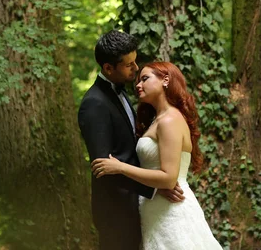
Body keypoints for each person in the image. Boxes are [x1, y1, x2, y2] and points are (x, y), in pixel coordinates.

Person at [91, 61, 222, 250]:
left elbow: (169, 179)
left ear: (165, 80)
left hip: (171, 210)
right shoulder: (156, 120)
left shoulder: (170, 120)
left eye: (145, 79)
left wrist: (120, 167)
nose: (138, 85)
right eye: (138, 81)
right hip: (155, 208)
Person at [78, 31, 184, 250]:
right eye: (129, 65)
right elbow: (104, 168)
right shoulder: (94, 104)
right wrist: (154, 188)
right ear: (108, 68)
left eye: (135, 61)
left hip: (135, 206)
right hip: (116, 212)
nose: (136, 69)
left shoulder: (122, 93)